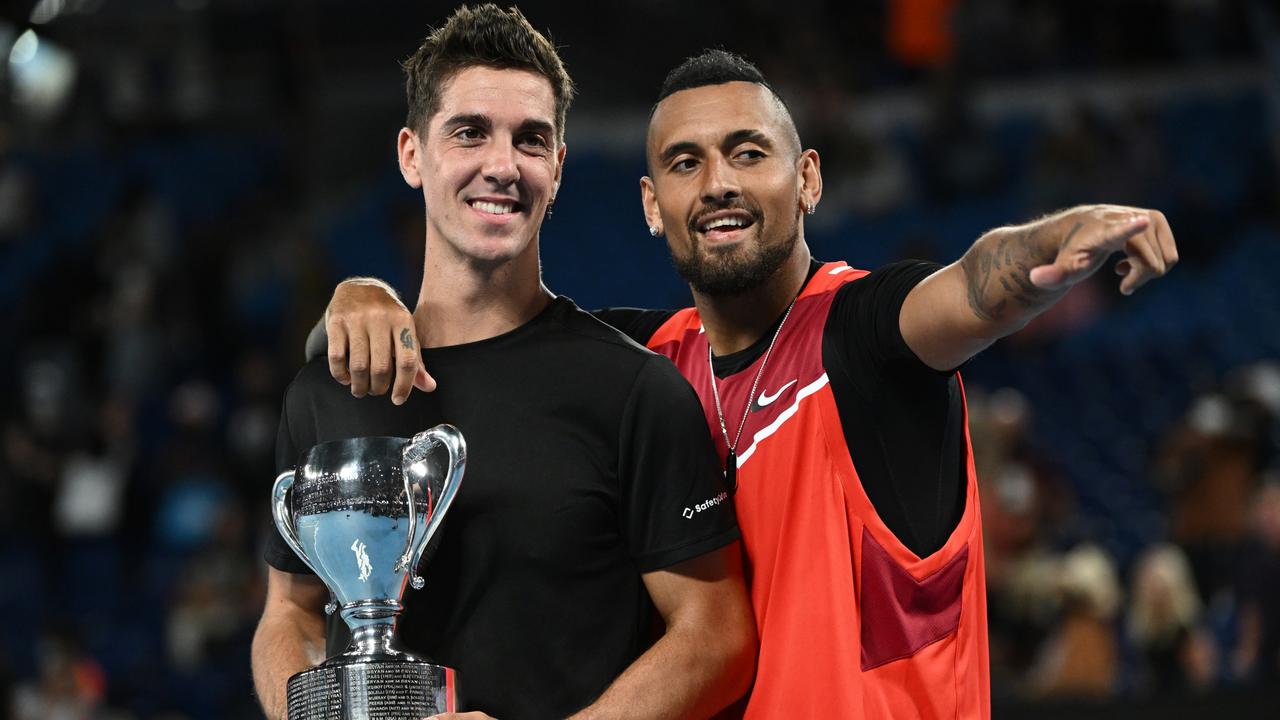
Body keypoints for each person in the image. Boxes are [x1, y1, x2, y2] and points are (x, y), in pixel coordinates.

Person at [317, 51, 1179, 718]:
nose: (719, 183)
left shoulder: (866, 335)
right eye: (686, 163)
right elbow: (460, 332)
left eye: (747, 152)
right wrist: (361, 298)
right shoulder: (642, 360)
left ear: (806, 178)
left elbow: (972, 288)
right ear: (652, 205)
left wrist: (1054, 244)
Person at [252, 10, 756, 720]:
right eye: (469, 132)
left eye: (531, 140)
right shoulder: (328, 389)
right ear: (411, 154)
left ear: (557, 167)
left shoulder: (633, 390)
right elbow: (289, 613)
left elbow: (718, 635)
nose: (502, 164)